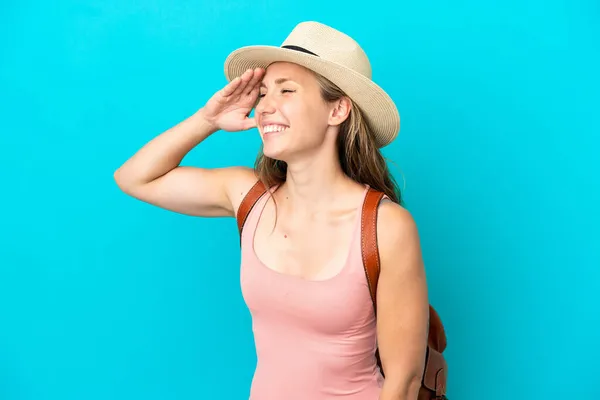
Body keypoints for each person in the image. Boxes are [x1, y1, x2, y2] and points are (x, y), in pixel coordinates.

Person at [114, 21, 430, 400]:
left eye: (287, 91)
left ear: (338, 110)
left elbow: (405, 382)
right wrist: (207, 120)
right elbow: (135, 178)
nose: (265, 107)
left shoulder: (385, 226)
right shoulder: (249, 197)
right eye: (263, 93)